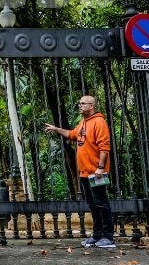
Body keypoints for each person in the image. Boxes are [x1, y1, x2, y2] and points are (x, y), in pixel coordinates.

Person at [43, 94, 115, 249]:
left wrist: (101, 167)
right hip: (84, 173)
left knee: (101, 203)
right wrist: (56, 129)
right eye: (79, 103)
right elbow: (72, 135)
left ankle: (108, 236)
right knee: (93, 205)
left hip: (96, 172)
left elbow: (104, 147)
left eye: (83, 103)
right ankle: (97, 235)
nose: (80, 105)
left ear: (91, 106)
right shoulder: (83, 123)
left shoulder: (99, 122)